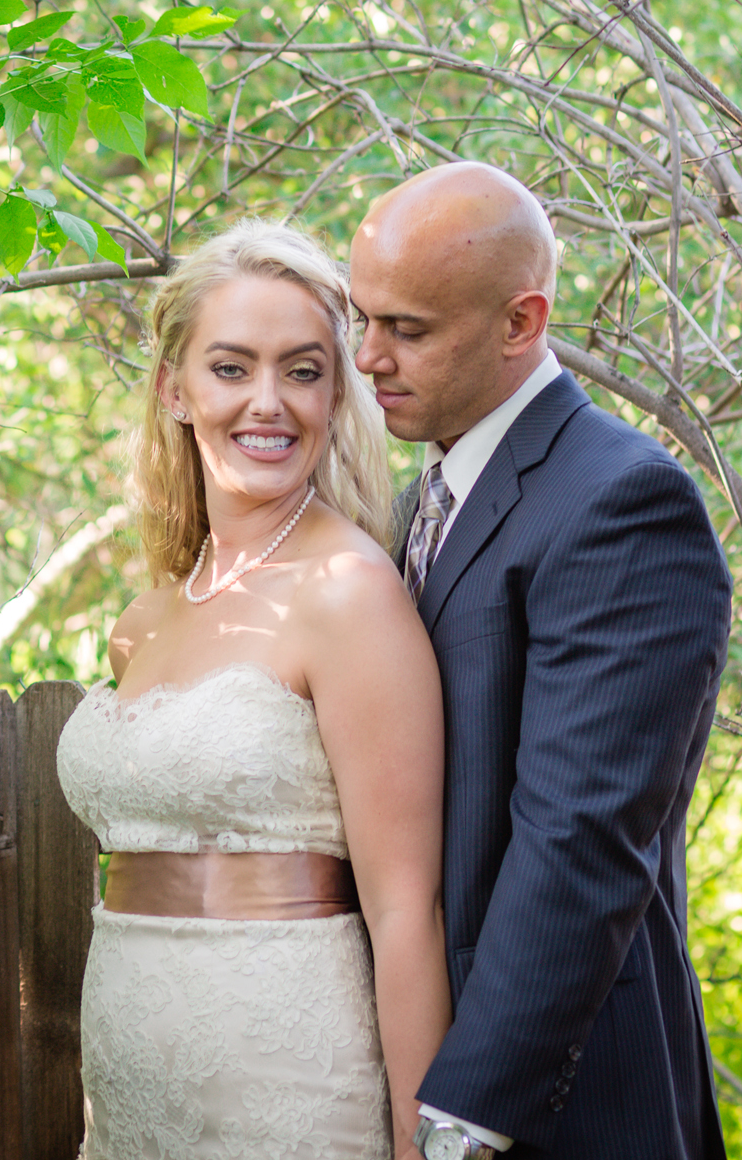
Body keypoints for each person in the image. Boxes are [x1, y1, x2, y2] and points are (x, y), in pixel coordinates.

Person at [349, 162, 732, 1160]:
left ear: (520, 323)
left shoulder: (621, 502)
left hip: (555, 1102)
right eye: (362, 319)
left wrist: (461, 1121)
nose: (365, 357)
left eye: (406, 329)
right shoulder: (416, 504)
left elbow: (582, 835)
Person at [57, 220, 449, 1158]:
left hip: (289, 1088)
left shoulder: (349, 596)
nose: (268, 402)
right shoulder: (147, 617)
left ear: (334, 391)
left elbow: (405, 910)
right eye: (232, 368)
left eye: (303, 370)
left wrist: (420, 1143)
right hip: (129, 1095)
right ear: (175, 389)